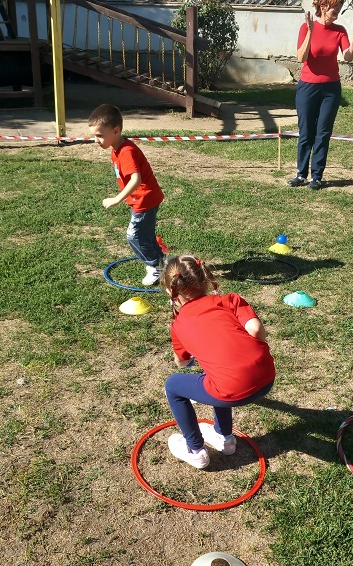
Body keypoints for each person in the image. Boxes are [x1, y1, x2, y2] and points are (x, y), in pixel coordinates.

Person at [161, 255, 276, 468]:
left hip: (230, 390)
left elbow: (182, 363)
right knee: (214, 377)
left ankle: (195, 449)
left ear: (171, 291)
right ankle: (225, 438)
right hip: (268, 376)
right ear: (206, 278)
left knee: (173, 386)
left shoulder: (178, 324)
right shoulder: (230, 299)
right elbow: (256, 329)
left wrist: (185, 359)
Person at [288, 1, 353, 190]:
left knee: (323, 133)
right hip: (307, 87)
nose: (337, 15)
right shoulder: (306, 27)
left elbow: (348, 57)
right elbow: (301, 58)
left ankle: (317, 176)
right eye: (335, 11)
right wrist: (310, 31)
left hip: (331, 90)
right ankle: (301, 174)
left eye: (339, 12)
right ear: (324, 7)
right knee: (306, 132)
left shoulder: (339, 30)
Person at [89, 104, 165, 285]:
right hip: (143, 198)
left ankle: (155, 267)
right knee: (145, 234)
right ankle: (162, 262)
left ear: (115, 131)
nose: (95, 140)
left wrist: (116, 199)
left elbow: (136, 180)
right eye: (94, 135)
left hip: (144, 199)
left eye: (99, 135)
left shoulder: (126, 152)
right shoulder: (117, 149)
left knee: (135, 235)